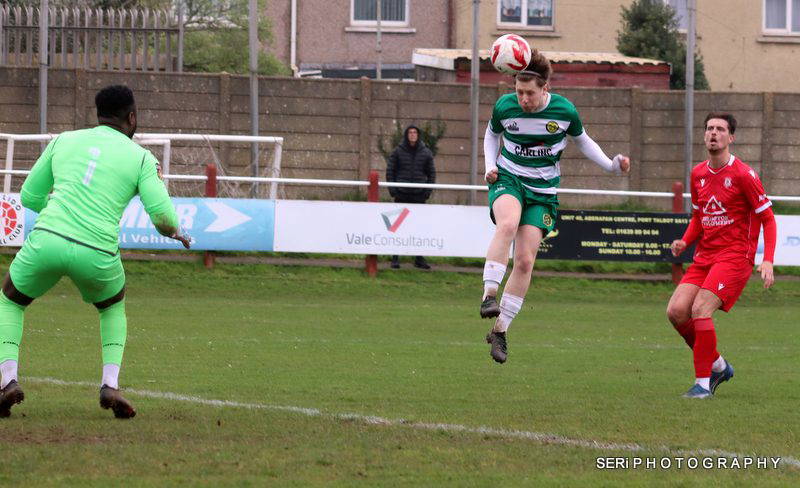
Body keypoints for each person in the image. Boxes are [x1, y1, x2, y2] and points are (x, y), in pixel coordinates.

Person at [0, 85, 191, 419]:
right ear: (132, 117)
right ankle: (110, 384)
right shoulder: (142, 158)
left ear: (98, 114)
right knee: (112, 308)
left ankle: (7, 381)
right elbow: (161, 216)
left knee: (10, 300)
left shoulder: (63, 141)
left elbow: (29, 196)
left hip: (49, 238)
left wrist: (58, 213)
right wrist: (176, 232)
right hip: (97, 249)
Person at [481, 51, 631, 363]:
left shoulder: (564, 111)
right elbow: (491, 135)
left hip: (543, 192)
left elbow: (584, 142)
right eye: (519, 92)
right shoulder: (505, 106)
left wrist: (612, 167)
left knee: (524, 261)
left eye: (530, 93)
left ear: (545, 88)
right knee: (507, 224)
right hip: (509, 178)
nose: (523, 99)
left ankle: (500, 330)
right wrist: (488, 166)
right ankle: (488, 295)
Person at [667, 112, 776, 399]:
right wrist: (685, 241)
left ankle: (703, 385)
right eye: (709, 128)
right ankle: (718, 365)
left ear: (731, 137)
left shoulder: (743, 175)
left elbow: (769, 219)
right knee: (676, 312)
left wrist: (768, 259)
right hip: (705, 256)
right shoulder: (698, 173)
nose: (713, 133)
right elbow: (699, 217)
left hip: (735, 256)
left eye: (720, 129)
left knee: (700, 309)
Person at [386, 125, 436, 270]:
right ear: (406, 135)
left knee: (419, 228)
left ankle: (419, 259)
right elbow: (390, 171)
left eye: (415, 132)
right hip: (401, 195)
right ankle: (395, 259)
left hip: (419, 196)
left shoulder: (426, 152)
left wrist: (426, 192)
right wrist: (393, 191)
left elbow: (431, 174)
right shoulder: (398, 151)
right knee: (397, 228)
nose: (412, 135)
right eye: (410, 132)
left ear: (418, 135)